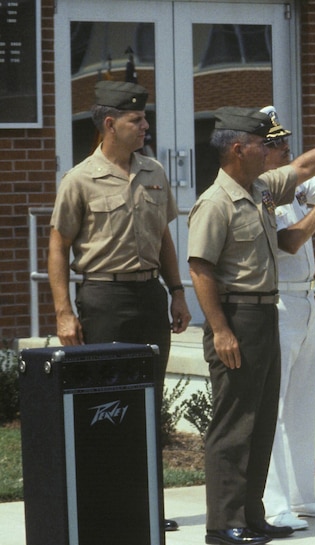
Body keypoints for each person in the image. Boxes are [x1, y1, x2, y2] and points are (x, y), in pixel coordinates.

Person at [188, 107, 315, 545]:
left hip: (264, 311)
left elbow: (303, 167)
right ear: (239, 149)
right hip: (237, 316)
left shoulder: (258, 189)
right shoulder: (215, 202)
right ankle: (224, 523)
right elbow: (200, 269)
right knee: (234, 427)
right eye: (263, 144)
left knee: (260, 424)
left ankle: (252, 515)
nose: (270, 151)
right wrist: (219, 329)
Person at [48, 80, 192, 533]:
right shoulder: (79, 179)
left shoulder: (153, 171)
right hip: (103, 298)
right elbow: (57, 247)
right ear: (110, 124)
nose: (145, 125)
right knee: (107, 405)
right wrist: (64, 312)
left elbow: (165, 237)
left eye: (144, 118)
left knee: (149, 403)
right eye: (137, 120)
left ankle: (147, 504)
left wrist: (177, 291)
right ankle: (108, 503)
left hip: (149, 297)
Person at [257, 107, 315, 531]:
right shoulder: (259, 192)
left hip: (305, 302)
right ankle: (275, 504)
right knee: (273, 409)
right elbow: (289, 242)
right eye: (278, 146)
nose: (287, 152)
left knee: (301, 407)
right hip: (276, 305)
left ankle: (302, 496)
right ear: (262, 150)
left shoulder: (291, 185)